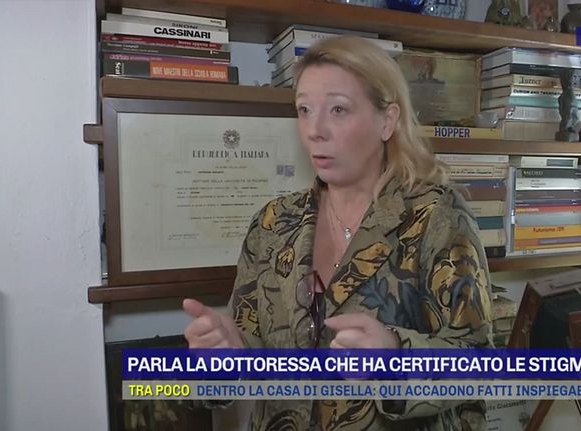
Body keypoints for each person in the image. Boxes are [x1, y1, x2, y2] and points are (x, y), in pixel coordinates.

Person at [183, 35, 493, 431]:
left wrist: (395, 356)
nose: (315, 130)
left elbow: (478, 359)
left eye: (338, 109)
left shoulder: (437, 216)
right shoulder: (273, 222)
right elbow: (252, 344)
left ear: (387, 120)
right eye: (305, 110)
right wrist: (227, 355)